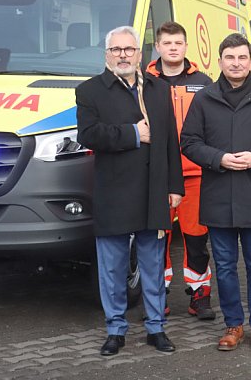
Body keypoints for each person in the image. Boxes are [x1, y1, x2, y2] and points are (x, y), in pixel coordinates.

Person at [76, 26, 183, 356]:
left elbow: (170, 140)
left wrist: (175, 186)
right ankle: (115, 330)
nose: (123, 55)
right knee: (112, 268)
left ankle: (156, 328)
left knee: (153, 265)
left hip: (153, 190)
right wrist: (133, 134)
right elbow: (89, 135)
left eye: (129, 49)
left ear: (139, 54)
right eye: (116, 49)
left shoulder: (159, 88)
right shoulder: (90, 91)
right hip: (114, 192)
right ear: (106, 54)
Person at [180, 33, 251, 353]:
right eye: (230, 58)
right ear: (220, 61)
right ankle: (233, 325)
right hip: (218, 195)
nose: (236, 63)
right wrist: (218, 159)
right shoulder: (204, 98)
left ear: (250, 61)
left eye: (242, 57)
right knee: (225, 266)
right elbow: (189, 141)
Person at [146, 21, 215, 320]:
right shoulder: (144, 82)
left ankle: (199, 295)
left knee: (196, 237)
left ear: (186, 46)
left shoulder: (204, 82)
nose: (173, 48)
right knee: (157, 239)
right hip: (156, 175)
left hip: (195, 174)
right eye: (167, 43)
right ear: (158, 47)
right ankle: (156, 297)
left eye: (178, 43)